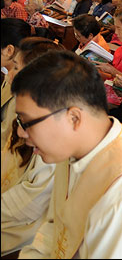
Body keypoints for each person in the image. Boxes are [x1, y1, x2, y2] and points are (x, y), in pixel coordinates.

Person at [12, 50, 122, 258]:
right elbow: (55, 230)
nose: (20, 132)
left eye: (26, 122)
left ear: (74, 118)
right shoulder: (74, 152)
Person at [1, 38, 64, 256]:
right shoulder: (25, 107)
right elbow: (7, 152)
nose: (10, 74)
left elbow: (32, 199)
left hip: (21, 225)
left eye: (16, 68)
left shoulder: (51, 131)